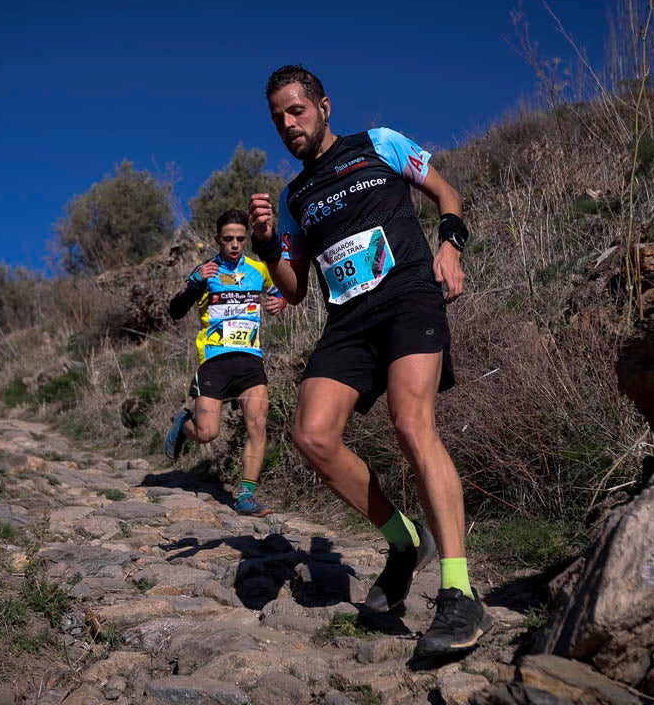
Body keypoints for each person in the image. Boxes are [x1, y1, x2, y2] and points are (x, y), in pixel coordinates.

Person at [248, 65, 490, 658]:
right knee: (311, 434)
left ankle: (459, 592)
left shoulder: (378, 143)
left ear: (324, 106)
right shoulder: (295, 195)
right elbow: (295, 286)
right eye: (278, 117)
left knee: (412, 424)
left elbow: (445, 193)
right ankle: (404, 540)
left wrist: (451, 244)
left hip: (408, 295)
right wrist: (266, 246)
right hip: (348, 321)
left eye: (297, 110)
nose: (288, 124)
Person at [164, 208, 286, 517]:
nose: (234, 245)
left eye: (240, 239)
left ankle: (246, 495)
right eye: (228, 239)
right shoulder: (205, 271)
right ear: (217, 239)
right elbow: (175, 311)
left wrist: (280, 300)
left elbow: (283, 289)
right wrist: (194, 281)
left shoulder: (260, 269)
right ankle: (184, 424)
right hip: (214, 361)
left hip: (250, 360)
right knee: (207, 433)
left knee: (257, 423)